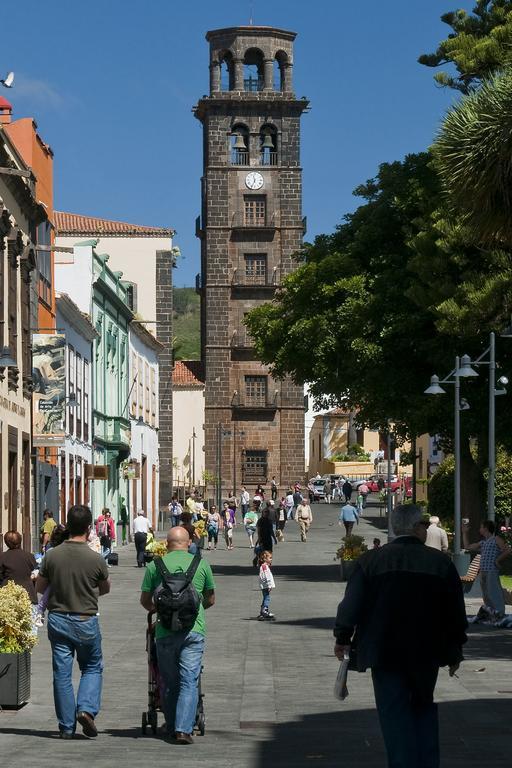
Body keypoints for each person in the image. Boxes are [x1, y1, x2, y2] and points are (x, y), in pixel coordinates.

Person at [334, 504, 467, 768]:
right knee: (423, 706)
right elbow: (455, 612)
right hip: (426, 650)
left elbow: (351, 604)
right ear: (416, 527)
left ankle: (402, 762)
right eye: (425, 525)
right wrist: (455, 649)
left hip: (385, 650)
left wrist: (343, 636)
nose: (426, 529)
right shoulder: (440, 563)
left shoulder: (371, 561)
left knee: (393, 713)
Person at [36, 505, 111, 739]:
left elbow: (40, 587)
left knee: (62, 673)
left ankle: (66, 727)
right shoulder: (96, 558)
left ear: (67, 525)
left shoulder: (52, 555)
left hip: (58, 618)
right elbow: (105, 589)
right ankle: (86, 709)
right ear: (89, 528)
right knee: (91, 666)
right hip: (85, 618)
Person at [140, 526, 215, 744]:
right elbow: (210, 599)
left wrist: (161, 611)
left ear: (166, 543)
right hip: (193, 631)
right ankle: (184, 729)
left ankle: (172, 725)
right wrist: (195, 611)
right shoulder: (201, 564)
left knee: (169, 681)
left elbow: (145, 601)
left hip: (164, 632)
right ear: (189, 541)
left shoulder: (155, 566)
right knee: (189, 680)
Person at [463, 519, 511, 619]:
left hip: (492, 570)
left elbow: (507, 550)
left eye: (481, 527)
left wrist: (497, 560)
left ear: (485, 528)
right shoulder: (483, 542)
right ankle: (491, 612)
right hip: (483, 571)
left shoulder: (496, 539)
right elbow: (467, 547)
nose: (479, 529)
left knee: (493, 591)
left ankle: (499, 613)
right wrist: (464, 533)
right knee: (486, 594)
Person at [0, 531, 38, 626]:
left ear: (6, 542)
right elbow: (35, 572)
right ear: (20, 541)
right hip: (28, 595)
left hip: (8, 596)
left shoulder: (2, 557)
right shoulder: (29, 556)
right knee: (29, 628)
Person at [258, 550, 275, 620]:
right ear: (265, 559)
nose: (271, 559)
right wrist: (269, 585)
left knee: (265, 597)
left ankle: (263, 611)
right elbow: (267, 576)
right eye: (270, 558)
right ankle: (264, 611)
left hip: (264, 585)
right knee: (267, 598)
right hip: (266, 585)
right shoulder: (265, 567)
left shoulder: (264, 566)